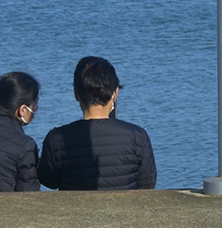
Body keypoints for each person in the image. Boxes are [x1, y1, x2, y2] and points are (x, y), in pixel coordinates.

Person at [38, 55, 157, 190]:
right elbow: (147, 184)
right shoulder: (138, 136)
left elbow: (49, 181)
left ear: (76, 93)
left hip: (75, 210)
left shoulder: (56, 139)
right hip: (124, 209)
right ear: (115, 93)